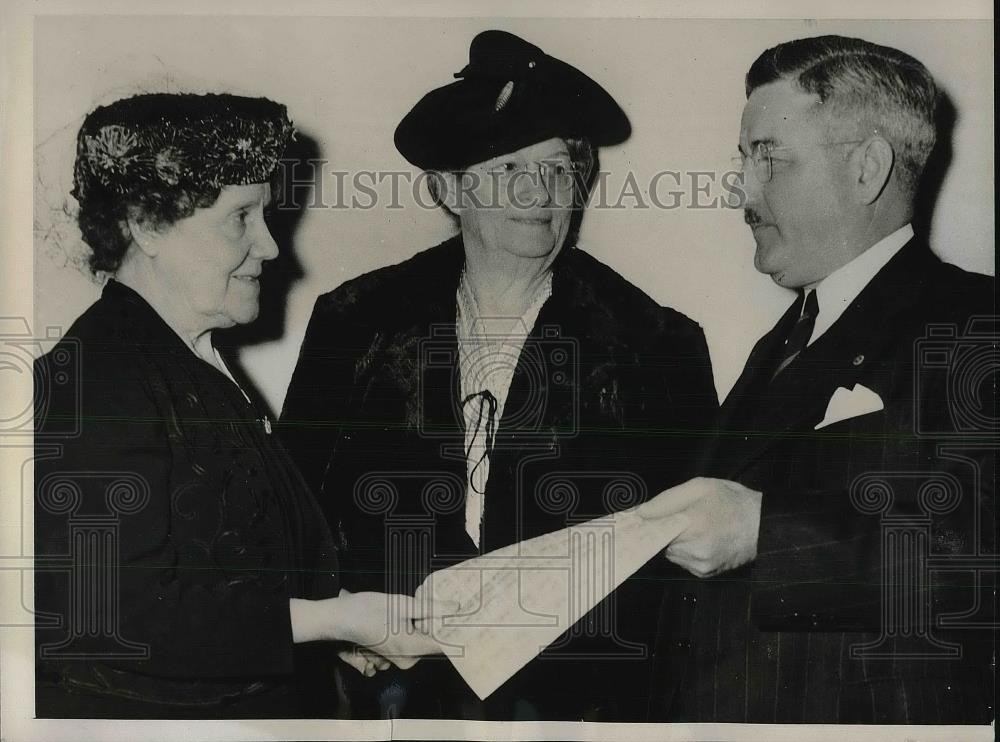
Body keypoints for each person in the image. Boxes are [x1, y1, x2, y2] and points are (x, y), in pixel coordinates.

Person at [280, 30, 719, 720]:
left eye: (557, 168)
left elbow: (684, 564)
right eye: (508, 168)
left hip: (578, 709)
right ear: (450, 187)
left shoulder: (654, 342)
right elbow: (296, 511)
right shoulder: (356, 321)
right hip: (382, 700)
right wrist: (338, 628)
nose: (539, 194)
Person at [33, 92, 446, 719]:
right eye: (241, 217)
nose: (271, 246)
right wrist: (330, 617)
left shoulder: (189, 361)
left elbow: (222, 577)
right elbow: (105, 613)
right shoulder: (99, 379)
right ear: (147, 224)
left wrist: (334, 633)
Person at [645, 35, 996, 723]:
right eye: (742, 160)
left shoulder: (975, 325)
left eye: (769, 158)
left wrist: (764, 533)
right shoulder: (781, 341)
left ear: (867, 169)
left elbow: (977, 564)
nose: (741, 192)